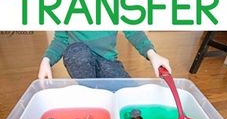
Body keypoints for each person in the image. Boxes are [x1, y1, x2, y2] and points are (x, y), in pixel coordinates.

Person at [38, 30, 171, 79]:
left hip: (108, 61)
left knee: (127, 94)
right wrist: (46, 60)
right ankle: (89, 93)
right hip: (79, 57)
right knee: (78, 53)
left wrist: (152, 54)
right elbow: (61, 39)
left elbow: (133, 32)